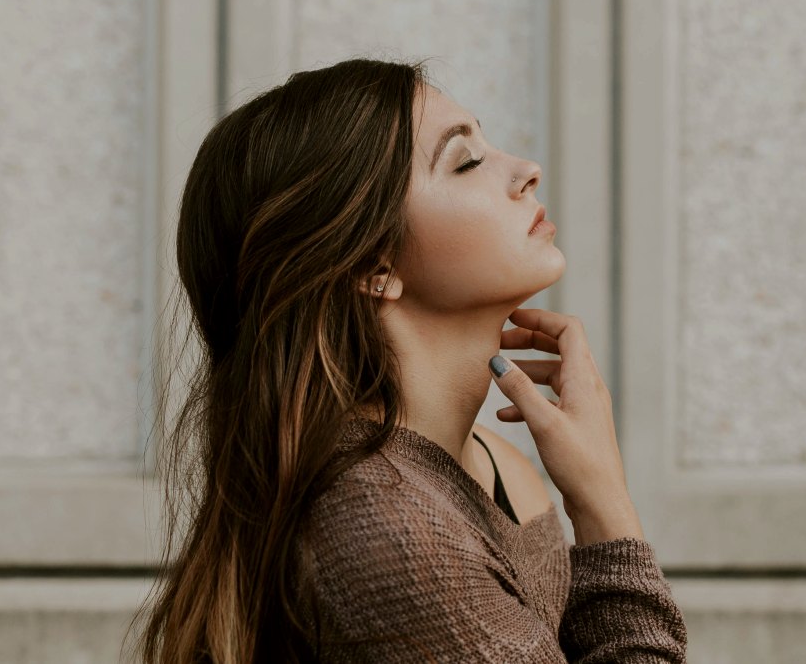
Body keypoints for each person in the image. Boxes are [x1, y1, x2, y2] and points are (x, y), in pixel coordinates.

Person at [127, 57, 687, 664]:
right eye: (465, 161)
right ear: (375, 266)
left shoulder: (500, 467)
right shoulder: (389, 530)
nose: (527, 170)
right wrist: (605, 506)